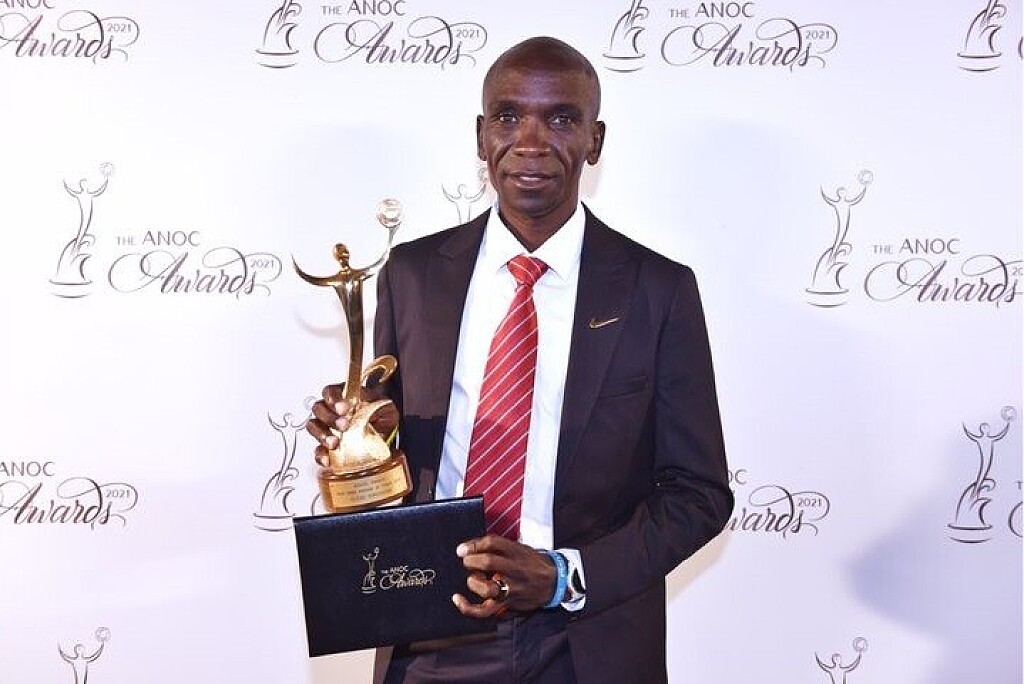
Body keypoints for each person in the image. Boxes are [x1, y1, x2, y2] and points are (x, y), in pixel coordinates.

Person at [307, 36, 732, 684]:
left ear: (595, 140)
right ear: (481, 136)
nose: (530, 142)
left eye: (560, 118)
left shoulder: (657, 290)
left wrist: (563, 576)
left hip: (586, 643)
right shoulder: (412, 274)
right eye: (508, 116)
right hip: (428, 632)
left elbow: (699, 494)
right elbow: (391, 444)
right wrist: (361, 439)